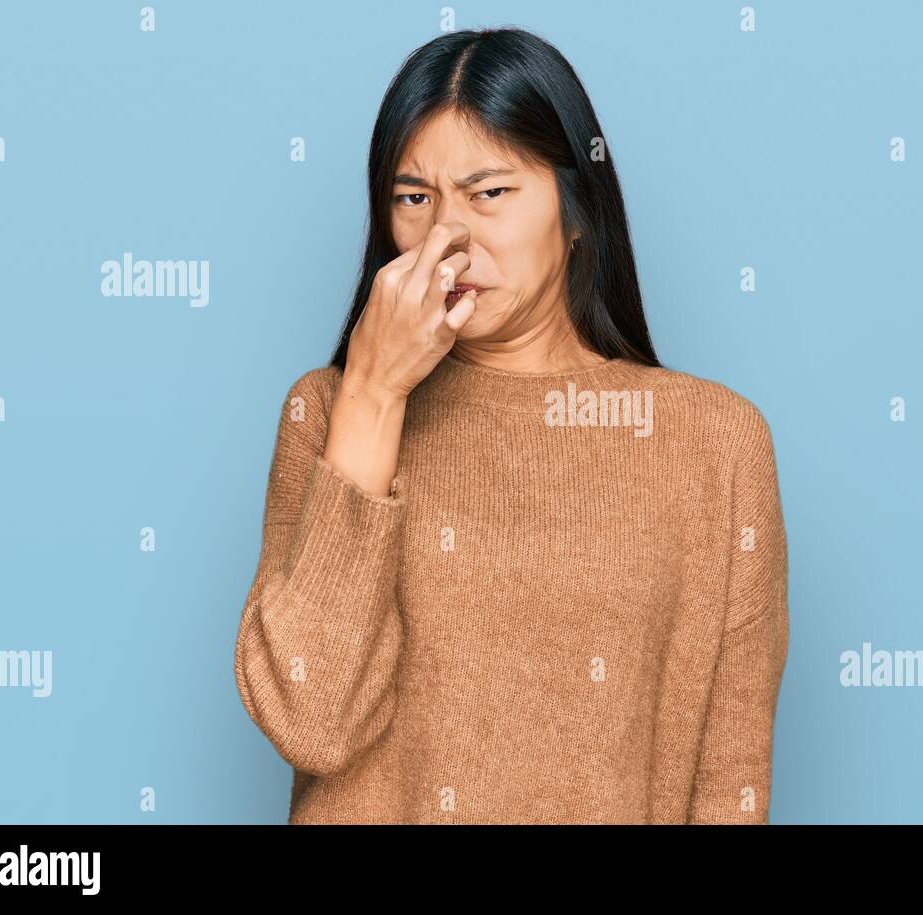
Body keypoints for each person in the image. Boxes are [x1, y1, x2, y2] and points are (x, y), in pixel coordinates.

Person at [233, 26, 789, 824]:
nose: (447, 239)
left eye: (489, 193)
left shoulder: (717, 444)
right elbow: (310, 719)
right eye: (413, 198)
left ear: (574, 213)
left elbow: (730, 778)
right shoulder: (327, 412)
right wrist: (376, 395)